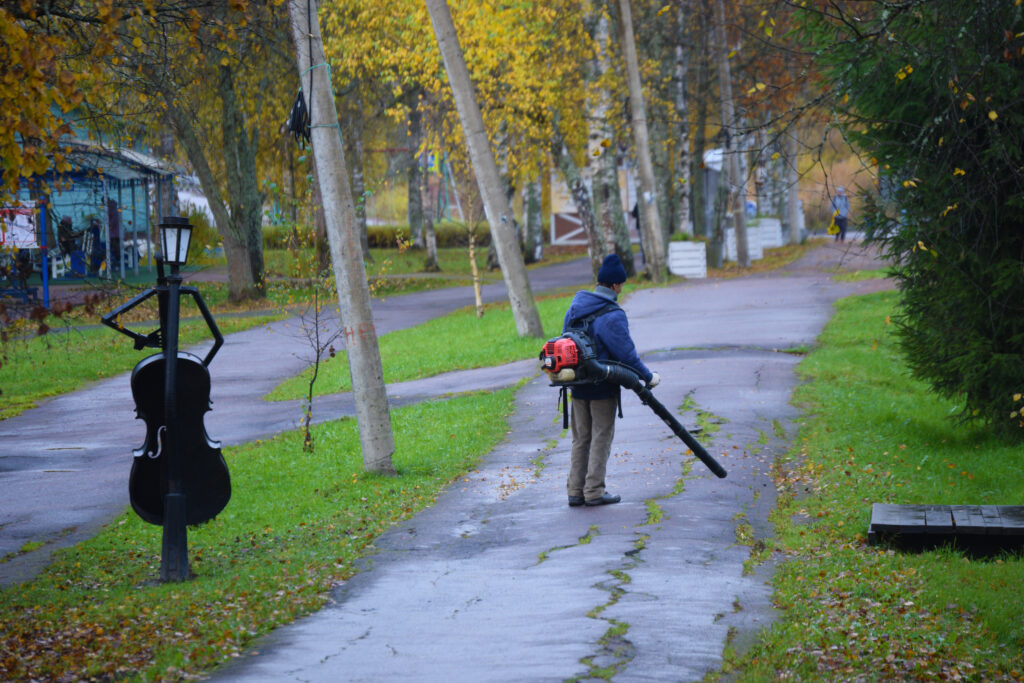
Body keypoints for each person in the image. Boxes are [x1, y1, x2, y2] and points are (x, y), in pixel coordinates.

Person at [562, 253, 660, 507]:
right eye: (622, 285)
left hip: (577, 383)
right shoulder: (612, 314)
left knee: (581, 437)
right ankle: (594, 491)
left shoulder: (576, 306)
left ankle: (575, 490)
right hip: (603, 386)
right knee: (601, 436)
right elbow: (626, 355)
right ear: (616, 285)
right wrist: (648, 378)